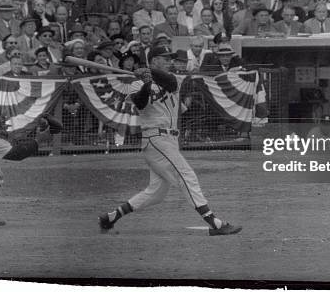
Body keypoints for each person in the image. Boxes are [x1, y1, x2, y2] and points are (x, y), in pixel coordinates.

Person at [98, 46, 242, 236]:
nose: (169, 61)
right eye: (164, 58)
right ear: (154, 59)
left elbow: (171, 83)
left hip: (169, 140)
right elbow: (140, 103)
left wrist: (150, 73)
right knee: (186, 175)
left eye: (169, 58)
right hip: (156, 138)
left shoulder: (173, 78)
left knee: (156, 192)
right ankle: (215, 223)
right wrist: (146, 83)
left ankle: (110, 218)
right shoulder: (135, 84)